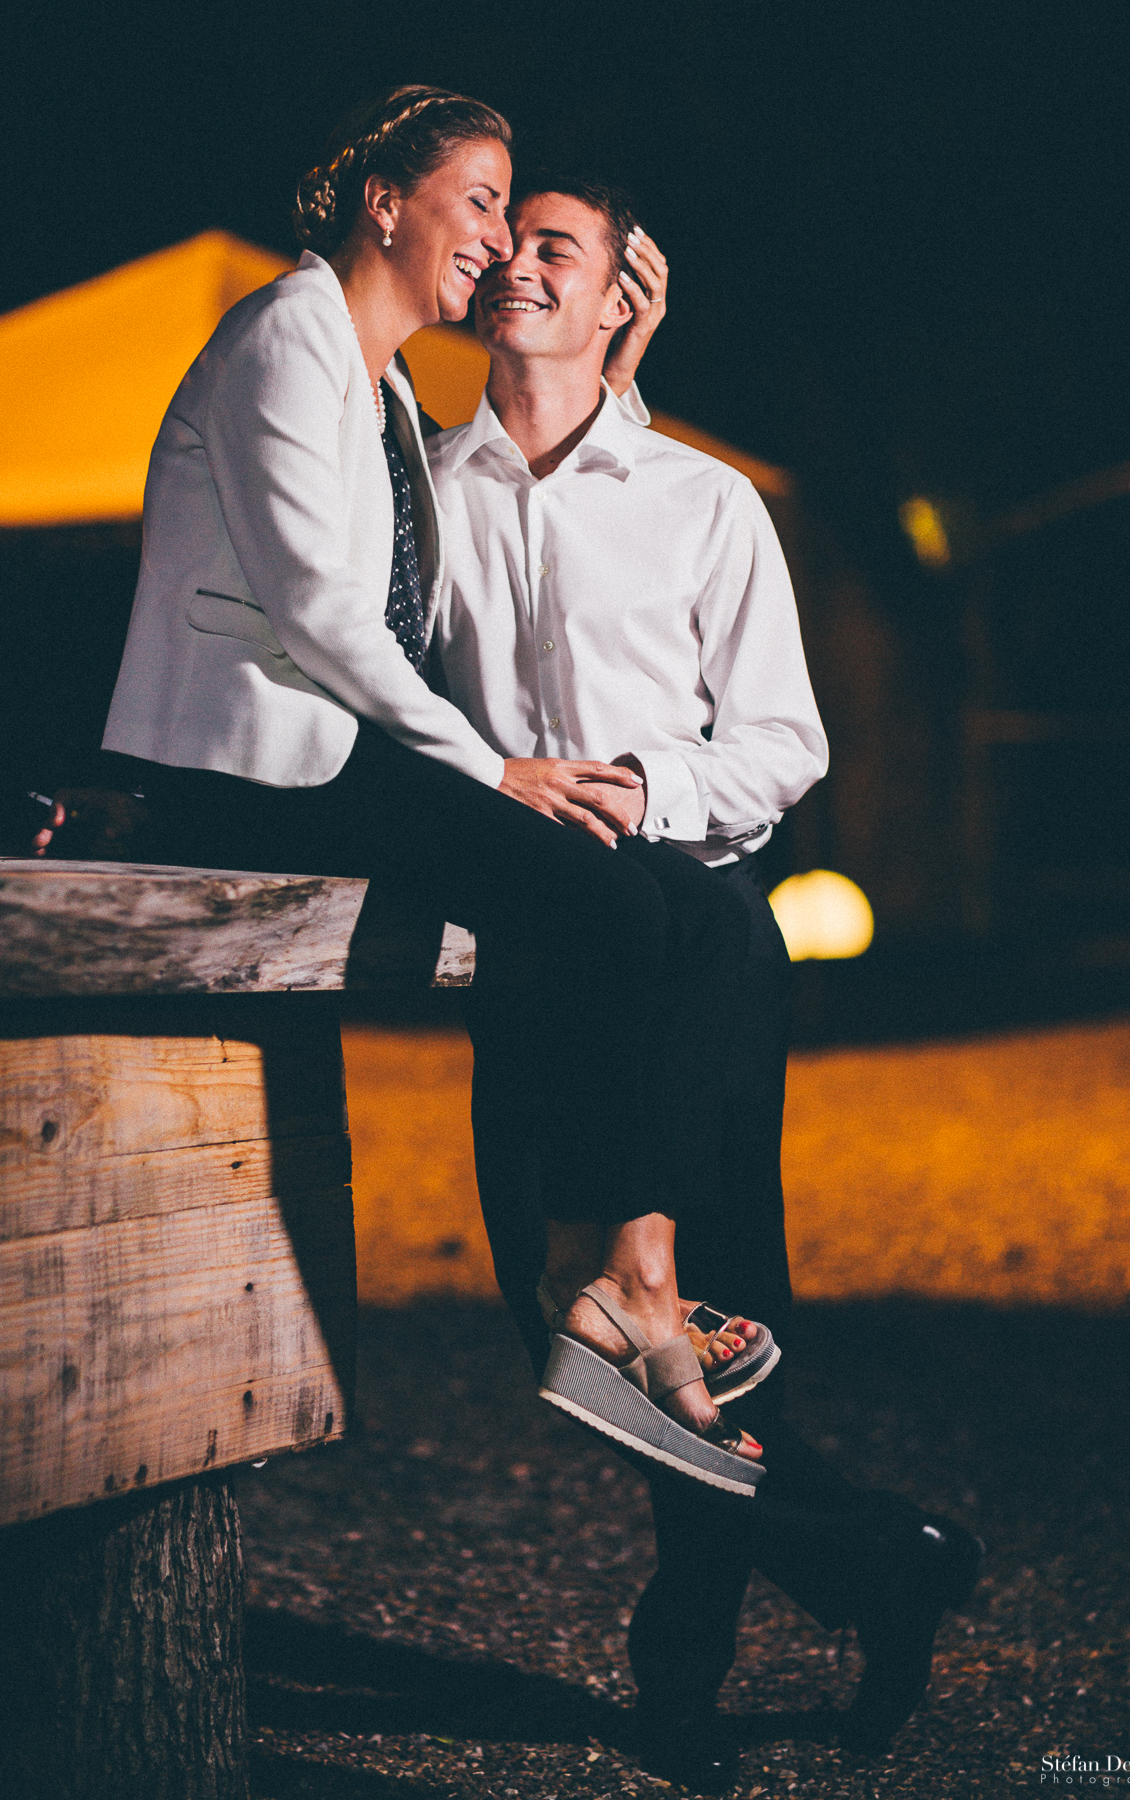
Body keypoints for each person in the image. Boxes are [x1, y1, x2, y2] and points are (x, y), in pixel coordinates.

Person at [99, 85, 768, 1489]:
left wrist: (619, 364)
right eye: (480, 201)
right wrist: (491, 768)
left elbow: (553, 484)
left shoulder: (392, 386)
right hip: (252, 759)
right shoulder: (286, 333)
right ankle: (603, 1287)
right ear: (382, 202)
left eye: (517, 218)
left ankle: (627, 1280)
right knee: (601, 901)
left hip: (337, 747)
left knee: (659, 897)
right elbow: (328, 617)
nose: (496, 239)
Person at [426, 175, 984, 1786]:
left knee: (710, 1330)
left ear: (621, 298)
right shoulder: (421, 496)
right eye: (510, 238)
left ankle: (678, 1681)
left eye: (560, 245)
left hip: (699, 955)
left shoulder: (702, 500)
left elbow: (785, 744)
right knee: (575, 1340)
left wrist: (645, 790)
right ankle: (886, 1565)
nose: (519, 258)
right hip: (535, 959)